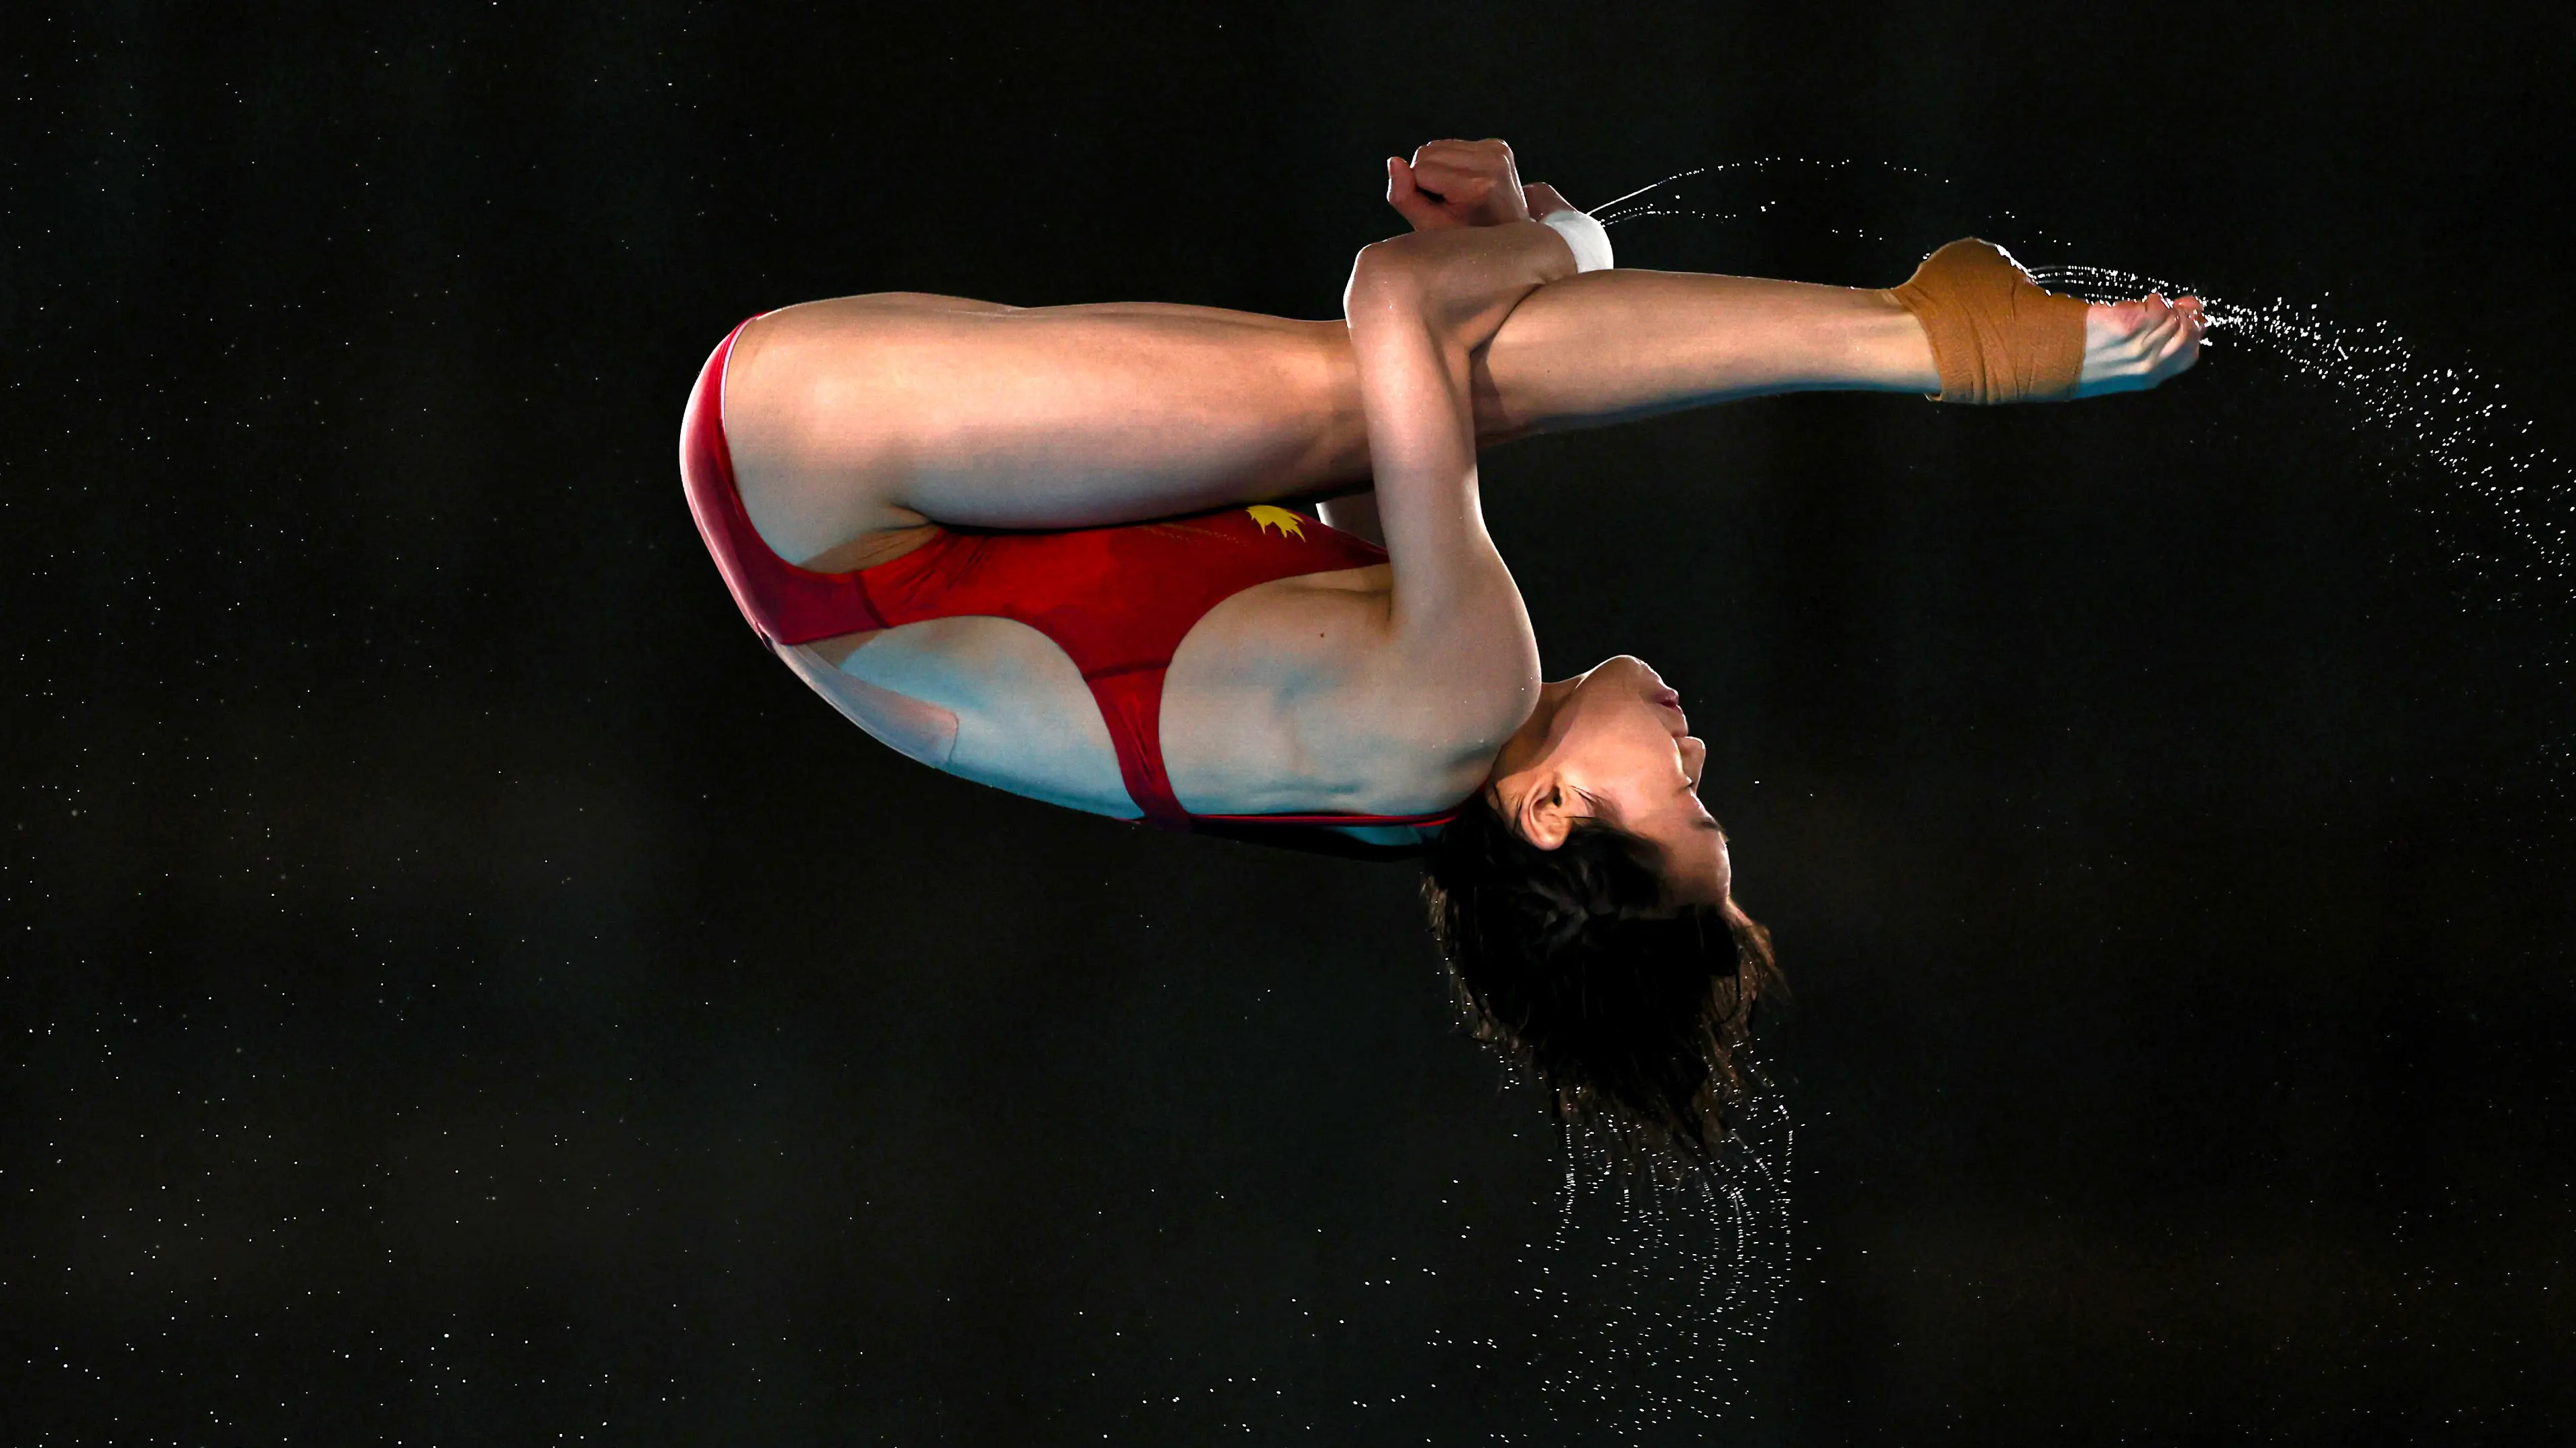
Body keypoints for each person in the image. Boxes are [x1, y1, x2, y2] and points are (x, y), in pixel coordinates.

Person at [680, 140, 2206, 1159]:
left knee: (1387, 382)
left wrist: (1560, 247)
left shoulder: (1469, 699)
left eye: (1689, 799)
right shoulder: (1411, 778)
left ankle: (1928, 338)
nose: (1695, 746)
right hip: (829, 537)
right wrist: (1520, 248)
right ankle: (1924, 334)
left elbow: (1391, 301)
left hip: (826, 480)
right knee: (1417, 397)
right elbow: (1397, 412)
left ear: (1551, 816)